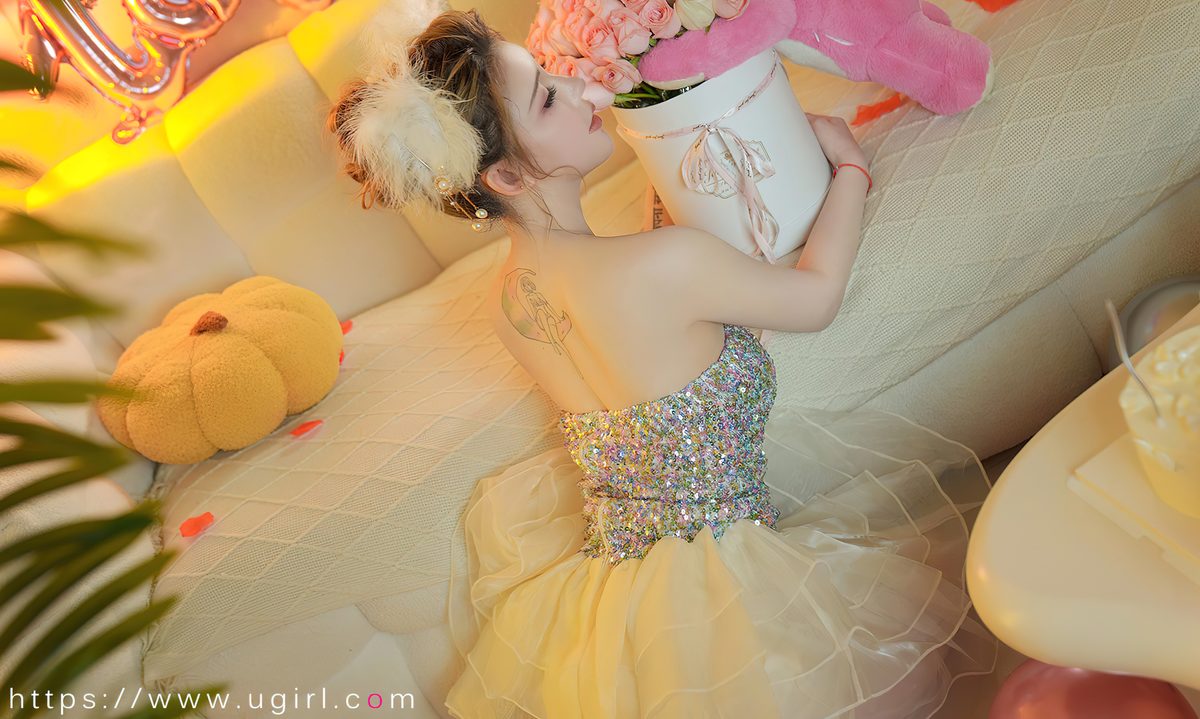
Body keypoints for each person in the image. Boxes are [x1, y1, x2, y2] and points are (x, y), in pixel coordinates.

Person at [327, 7, 998, 718]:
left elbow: (638, 350)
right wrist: (852, 169)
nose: (583, 89)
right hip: (729, 591)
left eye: (555, 75)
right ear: (510, 175)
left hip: (615, 602)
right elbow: (815, 297)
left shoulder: (508, 305)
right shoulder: (664, 263)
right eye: (550, 98)